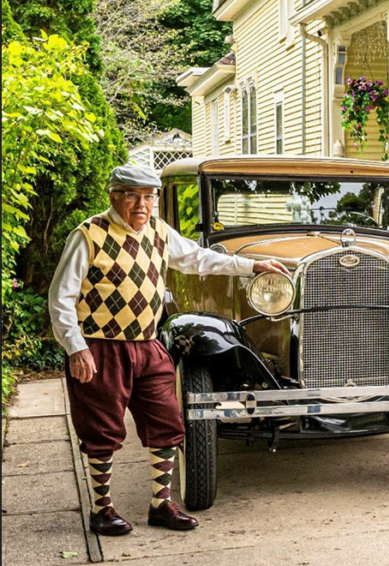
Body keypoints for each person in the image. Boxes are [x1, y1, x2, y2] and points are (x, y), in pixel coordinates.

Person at [48, 163, 290, 536]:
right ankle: (102, 509)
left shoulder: (159, 232)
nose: (141, 205)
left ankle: (161, 505)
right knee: (101, 431)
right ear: (114, 196)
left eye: (148, 197)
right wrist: (76, 348)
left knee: (167, 423)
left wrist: (250, 265)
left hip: (147, 344)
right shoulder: (89, 235)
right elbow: (60, 298)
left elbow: (198, 259)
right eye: (132, 196)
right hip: (101, 348)